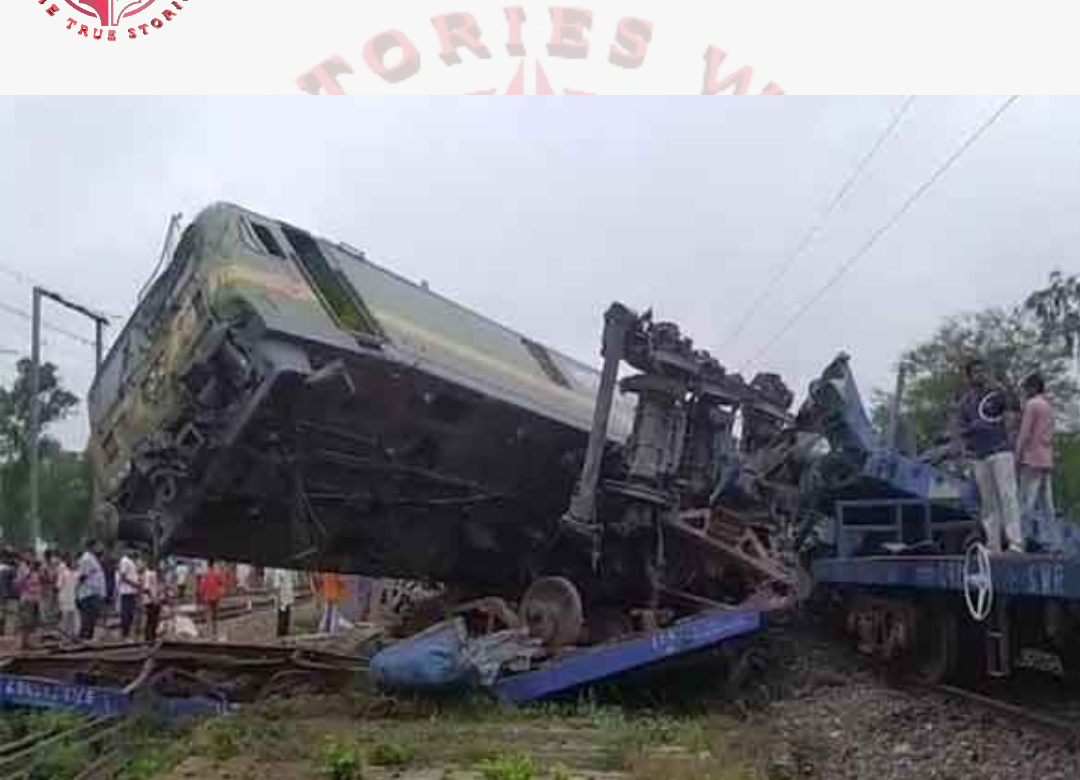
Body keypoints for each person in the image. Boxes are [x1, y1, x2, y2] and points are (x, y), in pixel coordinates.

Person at [958, 358, 1024, 553]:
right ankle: (993, 545)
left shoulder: (996, 393)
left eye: (982, 371)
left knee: (1008, 496)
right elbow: (961, 431)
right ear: (969, 377)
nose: (980, 374)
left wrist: (1011, 435)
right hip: (979, 456)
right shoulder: (965, 402)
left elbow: (1014, 410)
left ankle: (1016, 543)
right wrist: (964, 457)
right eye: (975, 372)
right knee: (988, 503)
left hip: (1001, 452)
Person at [1016, 372, 1056, 520]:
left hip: (1032, 457)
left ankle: (1023, 530)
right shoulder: (1049, 406)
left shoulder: (1032, 405)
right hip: (1046, 457)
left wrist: (1018, 455)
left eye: (1026, 388)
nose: (1025, 391)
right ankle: (1051, 531)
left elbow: (1024, 433)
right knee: (1047, 499)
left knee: (1027, 497)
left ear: (1033, 387)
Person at [76, 540, 107, 641]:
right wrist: (77, 592)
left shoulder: (92, 558)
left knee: (92, 617)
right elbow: (82, 576)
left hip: (93, 592)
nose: (99, 548)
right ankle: (83, 638)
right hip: (88, 593)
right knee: (88, 618)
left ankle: (87, 638)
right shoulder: (86, 559)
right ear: (92, 546)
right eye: (97, 546)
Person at [14, 553, 44, 651]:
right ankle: (22, 643)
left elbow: (41, 582)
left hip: (35, 600)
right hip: (27, 599)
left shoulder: (37, 572)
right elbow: (17, 584)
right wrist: (28, 575)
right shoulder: (23, 569)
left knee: (32, 623)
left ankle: (27, 642)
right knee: (25, 622)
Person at [198, 559, 225, 640]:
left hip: (207, 597)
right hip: (216, 597)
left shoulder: (205, 575)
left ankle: (209, 634)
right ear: (213, 565)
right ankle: (215, 633)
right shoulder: (217, 574)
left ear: (208, 565)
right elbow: (222, 584)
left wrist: (201, 596)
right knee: (215, 616)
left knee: (208, 616)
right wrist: (220, 594)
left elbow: (201, 587)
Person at [116, 548, 141, 640]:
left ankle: (126, 634)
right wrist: (134, 584)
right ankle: (124, 634)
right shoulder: (124, 561)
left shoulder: (130, 561)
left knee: (130, 614)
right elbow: (123, 577)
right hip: (127, 592)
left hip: (132, 591)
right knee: (126, 614)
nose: (134, 552)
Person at [56, 553, 79, 643]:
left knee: (73, 619)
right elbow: (58, 586)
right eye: (72, 561)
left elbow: (77, 585)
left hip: (72, 598)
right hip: (64, 598)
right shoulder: (63, 573)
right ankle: (63, 638)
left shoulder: (75, 574)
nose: (74, 563)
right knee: (65, 619)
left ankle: (72, 636)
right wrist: (59, 600)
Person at [270, 568, 295, 639]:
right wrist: (279, 600)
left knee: (287, 617)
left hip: (288, 599)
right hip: (282, 599)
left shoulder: (288, 571)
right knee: (282, 618)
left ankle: (285, 634)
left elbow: (290, 584)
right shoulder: (278, 571)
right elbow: (277, 587)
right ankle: (281, 635)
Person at [142, 561, 163, 643]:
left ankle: (152, 638)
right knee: (151, 620)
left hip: (155, 600)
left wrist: (159, 597)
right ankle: (148, 639)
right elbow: (146, 589)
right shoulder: (148, 574)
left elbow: (157, 587)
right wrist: (153, 599)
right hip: (150, 601)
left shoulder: (154, 574)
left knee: (155, 620)